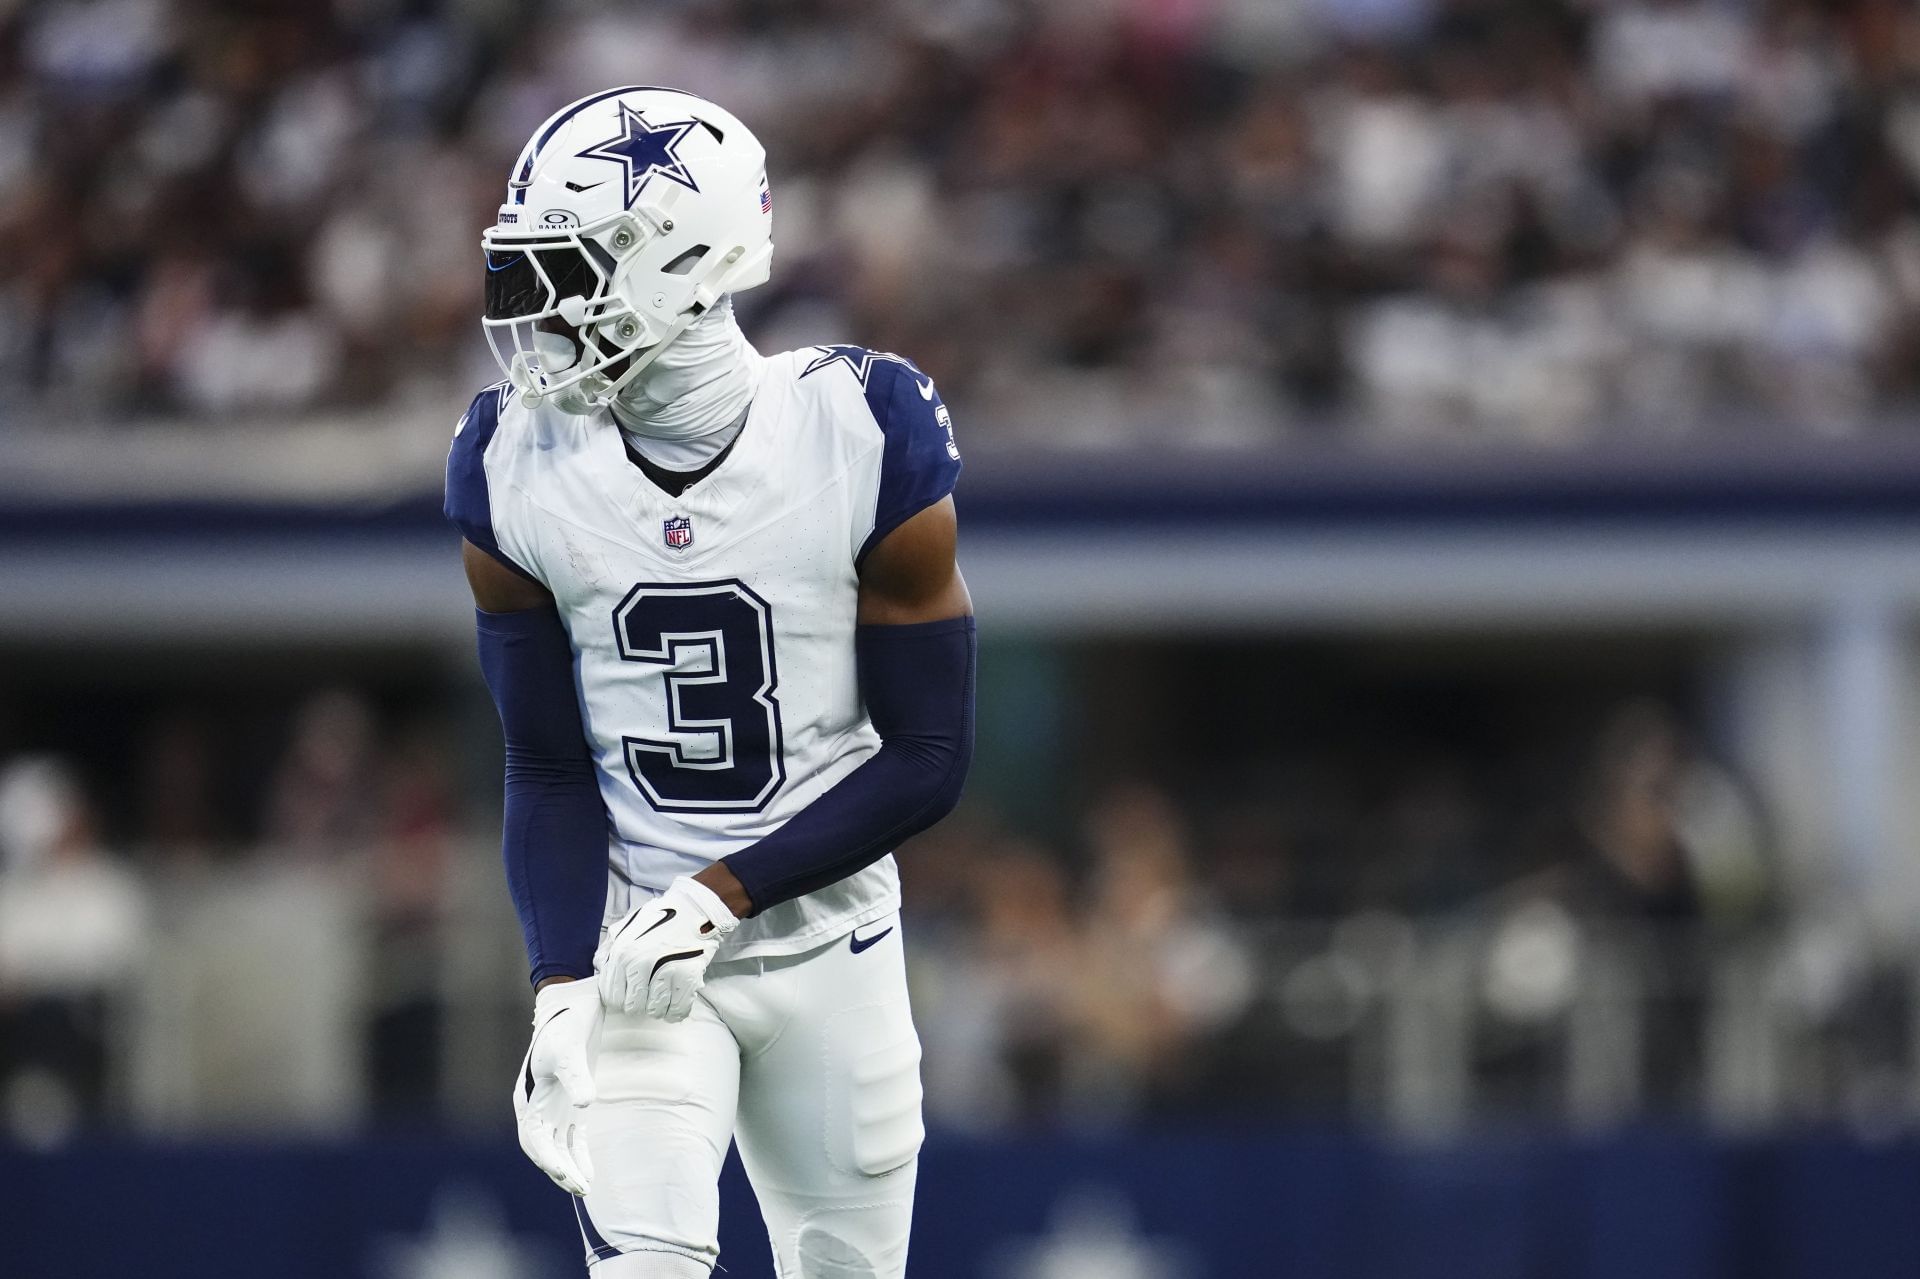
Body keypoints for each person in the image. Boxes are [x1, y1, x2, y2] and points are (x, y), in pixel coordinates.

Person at [445, 87, 975, 1279]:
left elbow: (930, 757)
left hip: (829, 944)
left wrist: (721, 893)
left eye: (571, 272)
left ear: (683, 261)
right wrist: (560, 984)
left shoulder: (860, 423)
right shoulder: (507, 460)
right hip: (640, 961)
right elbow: (545, 762)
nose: (542, 314)